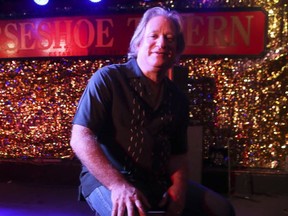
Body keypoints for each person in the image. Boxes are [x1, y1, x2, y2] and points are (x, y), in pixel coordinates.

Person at [70, 6, 235, 216]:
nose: (162, 43)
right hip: (108, 179)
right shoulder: (108, 79)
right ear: (138, 42)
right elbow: (80, 137)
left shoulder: (177, 98)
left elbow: (178, 154)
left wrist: (179, 187)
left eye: (170, 38)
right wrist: (118, 185)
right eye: (154, 36)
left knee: (222, 209)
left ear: (177, 49)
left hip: (155, 180)